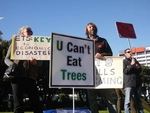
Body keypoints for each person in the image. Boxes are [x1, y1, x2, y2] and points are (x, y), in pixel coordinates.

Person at [4, 26, 43, 113]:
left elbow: (41, 63)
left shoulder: (36, 46)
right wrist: (12, 64)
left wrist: (35, 63)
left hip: (31, 77)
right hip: (17, 76)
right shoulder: (15, 44)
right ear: (21, 33)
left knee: (36, 103)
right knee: (18, 104)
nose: (30, 33)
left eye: (31, 31)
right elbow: (6, 59)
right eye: (28, 31)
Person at [85, 22, 117, 113]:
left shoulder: (103, 41)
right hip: (90, 74)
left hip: (104, 75)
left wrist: (102, 55)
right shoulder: (83, 42)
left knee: (109, 99)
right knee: (92, 100)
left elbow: (110, 53)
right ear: (87, 30)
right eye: (90, 27)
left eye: (93, 27)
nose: (92, 28)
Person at [123, 48, 144, 113]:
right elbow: (125, 71)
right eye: (128, 52)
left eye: (131, 52)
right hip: (129, 83)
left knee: (138, 101)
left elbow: (139, 69)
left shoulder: (135, 60)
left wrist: (135, 65)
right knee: (128, 101)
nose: (130, 53)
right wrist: (131, 65)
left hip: (137, 83)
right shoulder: (124, 61)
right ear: (125, 54)